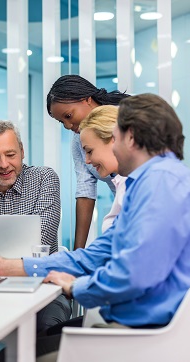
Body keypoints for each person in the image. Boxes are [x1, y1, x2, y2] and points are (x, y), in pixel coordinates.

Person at [0, 93, 190, 362]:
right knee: (16, 351)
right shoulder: (151, 182)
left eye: (115, 136)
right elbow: (95, 255)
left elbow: (134, 275)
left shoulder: (160, 184)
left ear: (129, 137)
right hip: (145, 327)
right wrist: (4, 267)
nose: (86, 161)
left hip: (145, 338)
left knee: (11, 358)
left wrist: (77, 287)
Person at [0, 120, 68, 337]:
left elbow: (41, 242)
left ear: (22, 151)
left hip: (43, 283)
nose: (4, 164)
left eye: (10, 154)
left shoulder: (44, 178)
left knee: (44, 334)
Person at [46, 75, 130, 249]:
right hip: (124, 214)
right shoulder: (78, 140)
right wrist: (78, 251)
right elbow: (85, 190)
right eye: (62, 122)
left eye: (68, 116)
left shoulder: (127, 120)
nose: (68, 126)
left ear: (87, 100)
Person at [79, 105, 126, 234]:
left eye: (89, 151)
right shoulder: (122, 182)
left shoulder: (142, 182)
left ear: (114, 139)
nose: (87, 160)